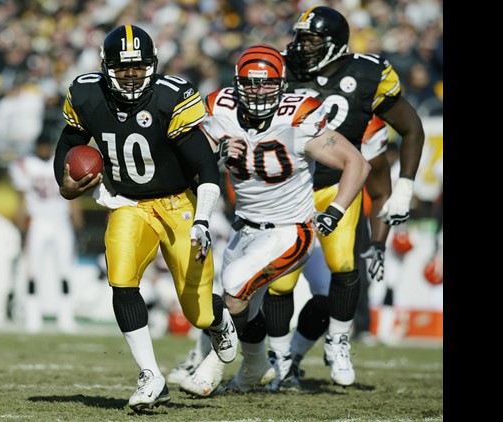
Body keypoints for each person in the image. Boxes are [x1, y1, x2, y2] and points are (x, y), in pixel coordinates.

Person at [53, 25, 237, 412]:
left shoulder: (171, 97)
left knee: (198, 311)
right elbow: (68, 145)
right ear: (106, 68)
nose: (132, 75)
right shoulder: (88, 94)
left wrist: (202, 219)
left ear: (152, 65)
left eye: (139, 67)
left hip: (178, 203)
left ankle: (220, 323)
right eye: (123, 68)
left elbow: (206, 166)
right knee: (121, 277)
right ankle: (151, 375)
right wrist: (66, 185)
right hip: (129, 203)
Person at [178, 44, 369, 396]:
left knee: (235, 288)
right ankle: (254, 369)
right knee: (245, 308)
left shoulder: (298, 117)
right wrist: (215, 156)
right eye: (250, 83)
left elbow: (357, 162)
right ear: (238, 83)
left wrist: (337, 209)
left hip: (288, 230)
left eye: (267, 84)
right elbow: (191, 162)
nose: (258, 91)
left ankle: (211, 369)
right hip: (243, 227)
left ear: (282, 84)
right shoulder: (221, 110)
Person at [260, 5, 425, 389]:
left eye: (312, 40)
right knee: (281, 283)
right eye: (300, 38)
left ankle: (338, 341)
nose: (302, 48)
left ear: (335, 44)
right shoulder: (282, 68)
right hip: (287, 188)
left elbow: (412, 129)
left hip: (338, 185)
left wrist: (406, 187)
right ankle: (279, 357)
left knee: (344, 264)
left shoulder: (368, 74)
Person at [9, 135, 83, 333]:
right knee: (33, 271)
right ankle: (33, 316)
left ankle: (66, 316)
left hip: (61, 221)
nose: (43, 150)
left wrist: (77, 221)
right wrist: (21, 227)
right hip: (38, 221)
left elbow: (73, 194)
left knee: (65, 270)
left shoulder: (61, 161)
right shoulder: (26, 165)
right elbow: (21, 199)